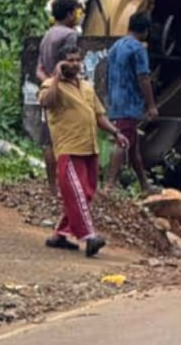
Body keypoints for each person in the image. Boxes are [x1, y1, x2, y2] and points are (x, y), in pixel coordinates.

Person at [39, 44, 129, 258]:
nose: (74, 64)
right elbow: (46, 103)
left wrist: (116, 132)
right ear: (60, 62)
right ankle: (89, 236)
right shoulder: (50, 85)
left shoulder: (88, 87)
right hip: (69, 149)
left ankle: (60, 234)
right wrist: (56, 77)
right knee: (77, 193)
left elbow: (98, 115)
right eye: (69, 60)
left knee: (86, 193)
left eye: (77, 60)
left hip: (89, 147)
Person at [105, 13, 159, 192]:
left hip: (116, 100)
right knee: (122, 142)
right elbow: (143, 78)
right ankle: (109, 185)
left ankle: (144, 184)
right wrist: (151, 105)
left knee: (133, 145)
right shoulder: (138, 49)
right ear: (145, 31)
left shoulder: (116, 46)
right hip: (129, 104)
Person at [36, 0, 82, 189]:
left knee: (48, 139)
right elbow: (68, 66)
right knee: (66, 139)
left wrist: (48, 83)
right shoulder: (69, 35)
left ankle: (51, 184)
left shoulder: (48, 34)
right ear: (70, 13)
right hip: (64, 91)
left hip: (48, 87)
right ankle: (66, 183)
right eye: (76, 12)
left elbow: (38, 68)